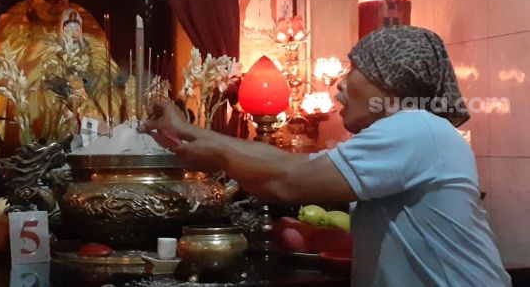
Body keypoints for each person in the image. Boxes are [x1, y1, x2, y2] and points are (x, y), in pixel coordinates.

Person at [140, 25, 511, 287]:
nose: (341, 83)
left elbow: (286, 179)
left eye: (356, 68)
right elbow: (281, 178)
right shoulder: (414, 133)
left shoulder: (416, 128)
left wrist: (199, 138)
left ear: (392, 82)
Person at [0, 0, 122, 142]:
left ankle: (99, 133)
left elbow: (96, 41)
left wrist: (78, 45)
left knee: (101, 81)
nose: (53, 6)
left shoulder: (77, 13)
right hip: (42, 58)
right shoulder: (22, 15)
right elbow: (9, 43)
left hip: (79, 58)